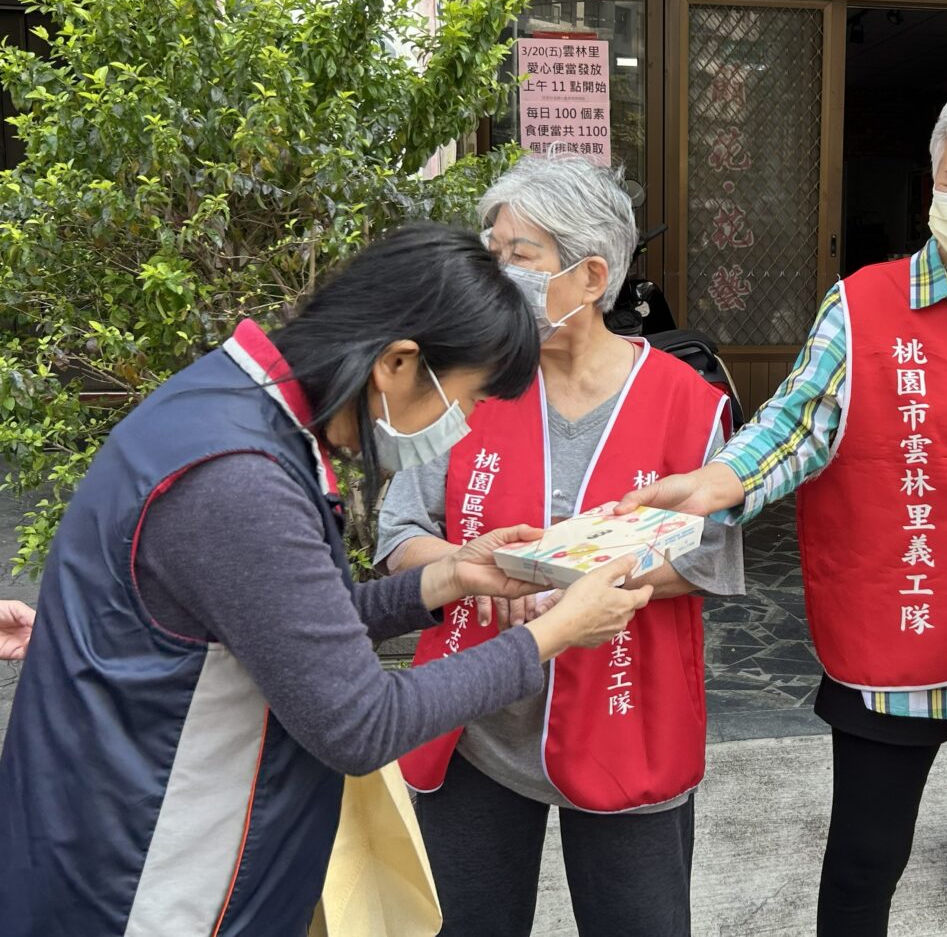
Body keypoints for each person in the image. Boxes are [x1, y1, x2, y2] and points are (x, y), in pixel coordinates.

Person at [0, 224, 653, 935]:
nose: (464, 426)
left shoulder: (228, 401)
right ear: (398, 363)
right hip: (148, 879)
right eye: (467, 399)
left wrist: (443, 578)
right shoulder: (240, 478)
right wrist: (554, 633)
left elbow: (289, 626)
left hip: (112, 828)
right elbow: (360, 721)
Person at [621, 75, 947, 937]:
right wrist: (716, 483)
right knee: (864, 857)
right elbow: (796, 424)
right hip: (899, 621)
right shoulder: (861, 306)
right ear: (933, 182)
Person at [381, 155, 743, 937]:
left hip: (625, 716)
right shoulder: (464, 382)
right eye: (491, 252)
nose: (496, 273)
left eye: (520, 255)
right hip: (476, 721)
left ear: (591, 275)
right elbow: (399, 532)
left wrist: (592, 583)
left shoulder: (688, 403)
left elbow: (710, 555)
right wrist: (467, 569)